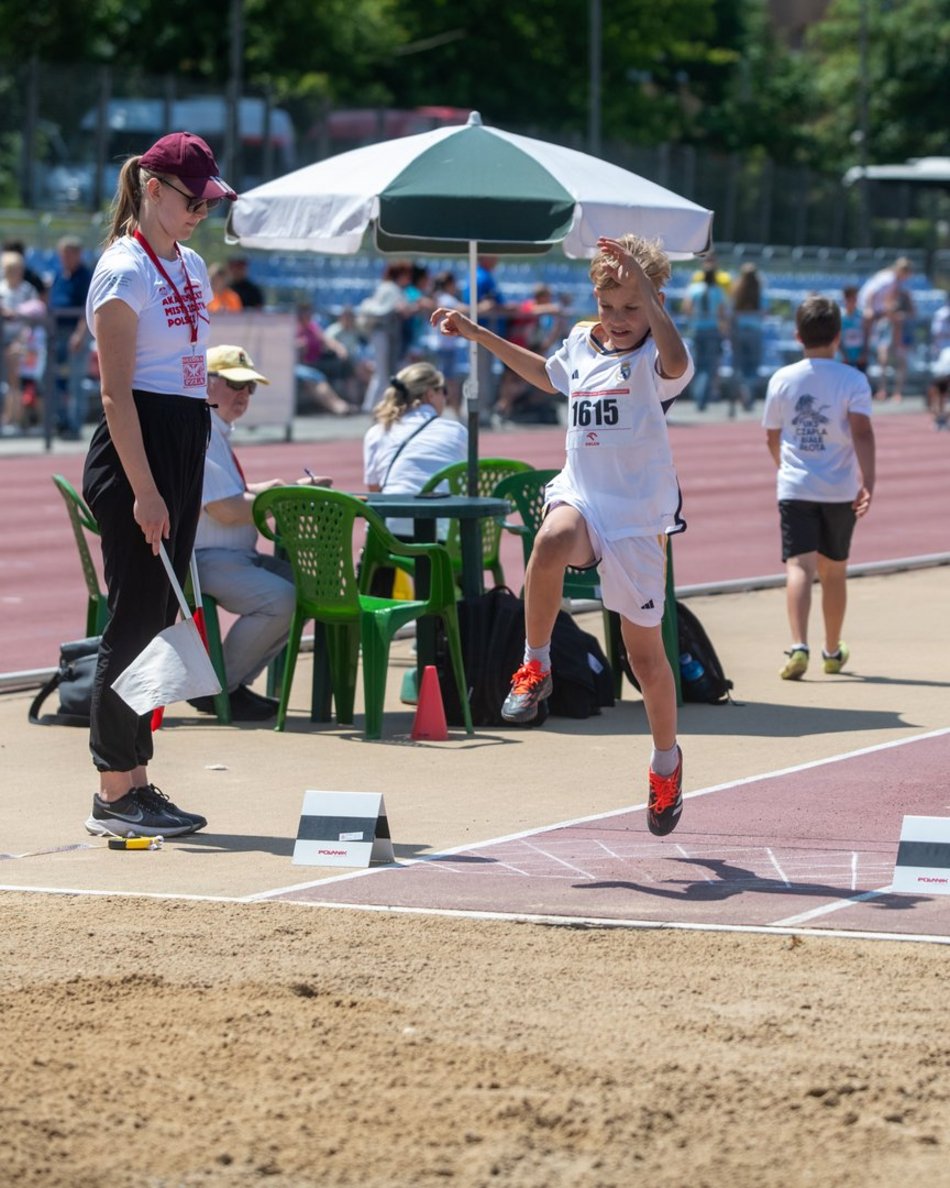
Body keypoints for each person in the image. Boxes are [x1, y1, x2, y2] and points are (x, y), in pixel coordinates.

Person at [431, 234, 694, 838]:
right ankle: (536, 663)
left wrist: (648, 300)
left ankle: (665, 764)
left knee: (646, 660)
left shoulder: (660, 353)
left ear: (654, 300)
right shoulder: (581, 340)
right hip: (582, 494)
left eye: (632, 307)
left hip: (634, 516)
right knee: (548, 541)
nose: (619, 320)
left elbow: (677, 362)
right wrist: (477, 333)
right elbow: (548, 377)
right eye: (609, 306)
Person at [81, 130, 237, 840]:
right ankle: (114, 789)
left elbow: (185, 369)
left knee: (160, 622)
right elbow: (117, 395)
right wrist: (145, 490)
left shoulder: (193, 264)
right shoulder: (122, 270)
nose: (200, 212)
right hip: (135, 451)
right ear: (152, 188)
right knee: (136, 620)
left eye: (208, 203)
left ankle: (137, 779)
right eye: (191, 199)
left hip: (178, 441)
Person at [189, 343, 332, 721]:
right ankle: (218, 689)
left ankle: (230, 685)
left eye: (249, 387)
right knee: (283, 600)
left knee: (312, 591)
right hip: (206, 558)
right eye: (235, 384)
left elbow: (226, 495)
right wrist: (284, 500)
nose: (243, 394)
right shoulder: (200, 430)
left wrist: (280, 488)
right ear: (205, 384)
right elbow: (224, 508)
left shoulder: (211, 428)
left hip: (223, 555)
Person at [762, 295, 875, 682]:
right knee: (834, 571)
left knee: (799, 566)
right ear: (839, 337)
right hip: (839, 489)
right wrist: (869, 481)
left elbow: (772, 435)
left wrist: (786, 469)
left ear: (797, 336)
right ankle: (831, 649)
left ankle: (799, 646)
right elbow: (862, 432)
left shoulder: (782, 379)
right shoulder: (853, 380)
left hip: (795, 485)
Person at [363, 361, 468, 540]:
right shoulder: (456, 431)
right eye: (444, 391)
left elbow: (376, 492)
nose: (446, 398)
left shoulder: (377, 432)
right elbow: (461, 484)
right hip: (442, 536)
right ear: (430, 394)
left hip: (389, 535)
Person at [48, 235, 93, 440]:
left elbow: (87, 308)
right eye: (62, 254)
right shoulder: (59, 274)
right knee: (49, 379)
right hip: (55, 334)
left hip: (75, 333)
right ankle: (61, 421)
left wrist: (80, 335)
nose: (65, 257)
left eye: (69, 253)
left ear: (78, 254)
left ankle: (74, 426)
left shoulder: (85, 276)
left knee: (76, 381)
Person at [857, 256, 914, 400]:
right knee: (864, 348)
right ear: (903, 271)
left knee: (877, 351)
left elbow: (888, 302)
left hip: (880, 314)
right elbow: (871, 293)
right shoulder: (888, 279)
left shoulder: (894, 281)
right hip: (869, 313)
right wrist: (869, 309)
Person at [0, 249, 42, 433]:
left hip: (23, 342)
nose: (14, 273)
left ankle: (15, 420)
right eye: (10, 269)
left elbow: (34, 316)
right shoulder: (1, 289)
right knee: (11, 382)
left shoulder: (28, 290)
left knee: (17, 381)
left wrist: (21, 341)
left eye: (17, 269)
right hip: (3, 339)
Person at [681, 257, 730, 411]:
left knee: (698, 365)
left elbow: (686, 309)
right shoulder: (718, 291)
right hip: (713, 330)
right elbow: (722, 313)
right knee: (710, 366)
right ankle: (703, 398)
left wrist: (695, 319)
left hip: (697, 330)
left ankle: (698, 395)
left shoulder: (694, 289)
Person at [294, 301, 352, 415]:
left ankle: (344, 404)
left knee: (348, 366)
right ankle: (338, 407)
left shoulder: (312, 327)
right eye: (305, 313)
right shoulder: (292, 329)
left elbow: (326, 340)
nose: (308, 315)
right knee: (312, 379)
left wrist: (339, 348)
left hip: (316, 363)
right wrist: (298, 346)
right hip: (300, 366)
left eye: (309, 313)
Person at [728, 262, 765, 414]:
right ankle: (748, 393)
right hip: (755, 331)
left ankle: (741, 389)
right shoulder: (760, 292)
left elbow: (731, 313)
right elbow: (764, 312)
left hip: (739, 331)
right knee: (753, 366)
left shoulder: (736, 292)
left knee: (739, 365)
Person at [838, 285, 867, 372]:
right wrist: (843, 355)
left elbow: (866, 336)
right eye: (850, 299)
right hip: (845, 357)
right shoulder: (840, 317)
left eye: (855, 299)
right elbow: (838, 338)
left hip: (860, 357)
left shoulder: (862, 316)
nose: (853, 302)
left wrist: (864, 353)